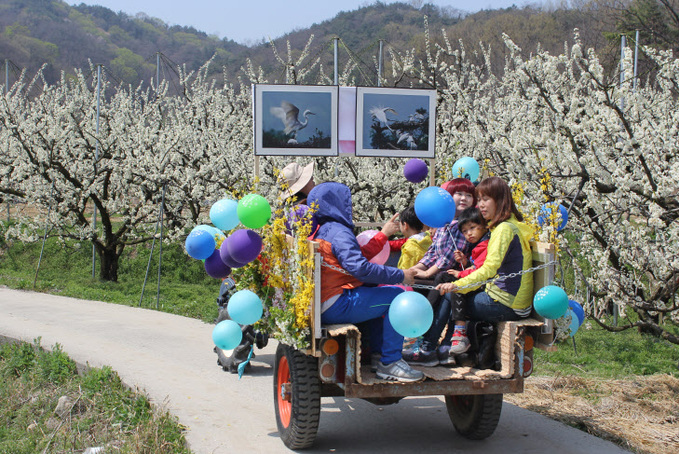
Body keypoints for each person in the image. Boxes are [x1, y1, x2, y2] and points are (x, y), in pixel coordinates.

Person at [307, 182, 424, 383]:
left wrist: (383, 234)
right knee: (397, 298)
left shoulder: (324, 230)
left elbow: (354, 258)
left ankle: (380, 354)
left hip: (325, 301)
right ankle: (390, 363)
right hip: (336, 303)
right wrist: (400, 275)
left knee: (383, 293)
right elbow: (360, 268)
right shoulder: (340, 232)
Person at [437, 176, 534, 330]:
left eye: (486, 199)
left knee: (451, 296)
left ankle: (447, 344)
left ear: (500, 200)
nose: (480, 205)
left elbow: (489, 269)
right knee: (454, 295)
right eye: (479, 199)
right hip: (511, 300)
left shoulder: (504, 229)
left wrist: (457, 285)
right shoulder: (506, 225)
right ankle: (450, 343)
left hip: (508, 304)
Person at [403, 178, 476, 366]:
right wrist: (416, 268)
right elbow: (433, 252)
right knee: (416, 286)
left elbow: (450, 257)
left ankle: (428, 343)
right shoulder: (444, 224)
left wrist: (427, 274)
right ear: (448, 198)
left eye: (469, 195)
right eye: (459, 193)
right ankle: (427, 342)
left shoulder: (464, 224)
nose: (464, 198)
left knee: (441, 293)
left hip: (457, 275)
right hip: (442, 274)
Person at [444, 206, 490, 354]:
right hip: (476, 278)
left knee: (457, 288)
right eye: (465, 231)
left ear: (484, 226)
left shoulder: (486, 244)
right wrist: (465, 262)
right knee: (443, 277)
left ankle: (460, 333)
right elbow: (475, 266)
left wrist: (460, 275)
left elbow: (481, 271)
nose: (469, 233)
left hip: (484, 284)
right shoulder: (476, 244)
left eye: (472, 228)